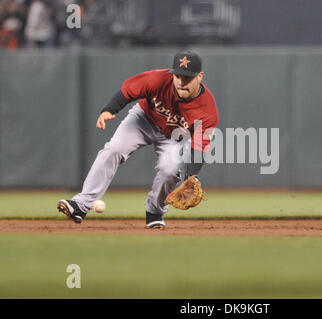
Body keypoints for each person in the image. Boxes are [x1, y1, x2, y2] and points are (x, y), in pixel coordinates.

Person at [57, 50, 219, 229]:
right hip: (143, 120)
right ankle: (81, 205)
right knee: (114, 149)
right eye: (178, 76)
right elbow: (128, 91)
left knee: (169, 171)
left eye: (187, 78)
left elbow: (200, 146)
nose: (181, 82)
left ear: (200, 77)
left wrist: (191, 177)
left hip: (173, 137)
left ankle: (155, 211)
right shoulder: (157, 79)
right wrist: (109, 110)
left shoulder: (208, 110)